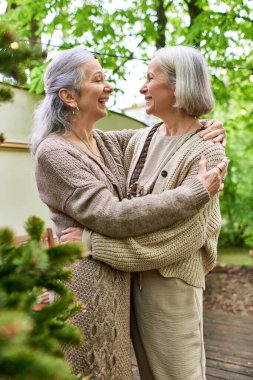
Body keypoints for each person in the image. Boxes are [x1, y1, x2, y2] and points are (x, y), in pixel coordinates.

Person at [32, 46, 227, 379]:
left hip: (136, 286)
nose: (113, 87)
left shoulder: (107, 142)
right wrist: (193, 192)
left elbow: (175, 139)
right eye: (99, 79)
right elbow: (110, 214)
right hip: (88, 289)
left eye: (150, 78)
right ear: (68, 95)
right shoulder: (59, 151)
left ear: (178, 88)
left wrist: (209, 127)